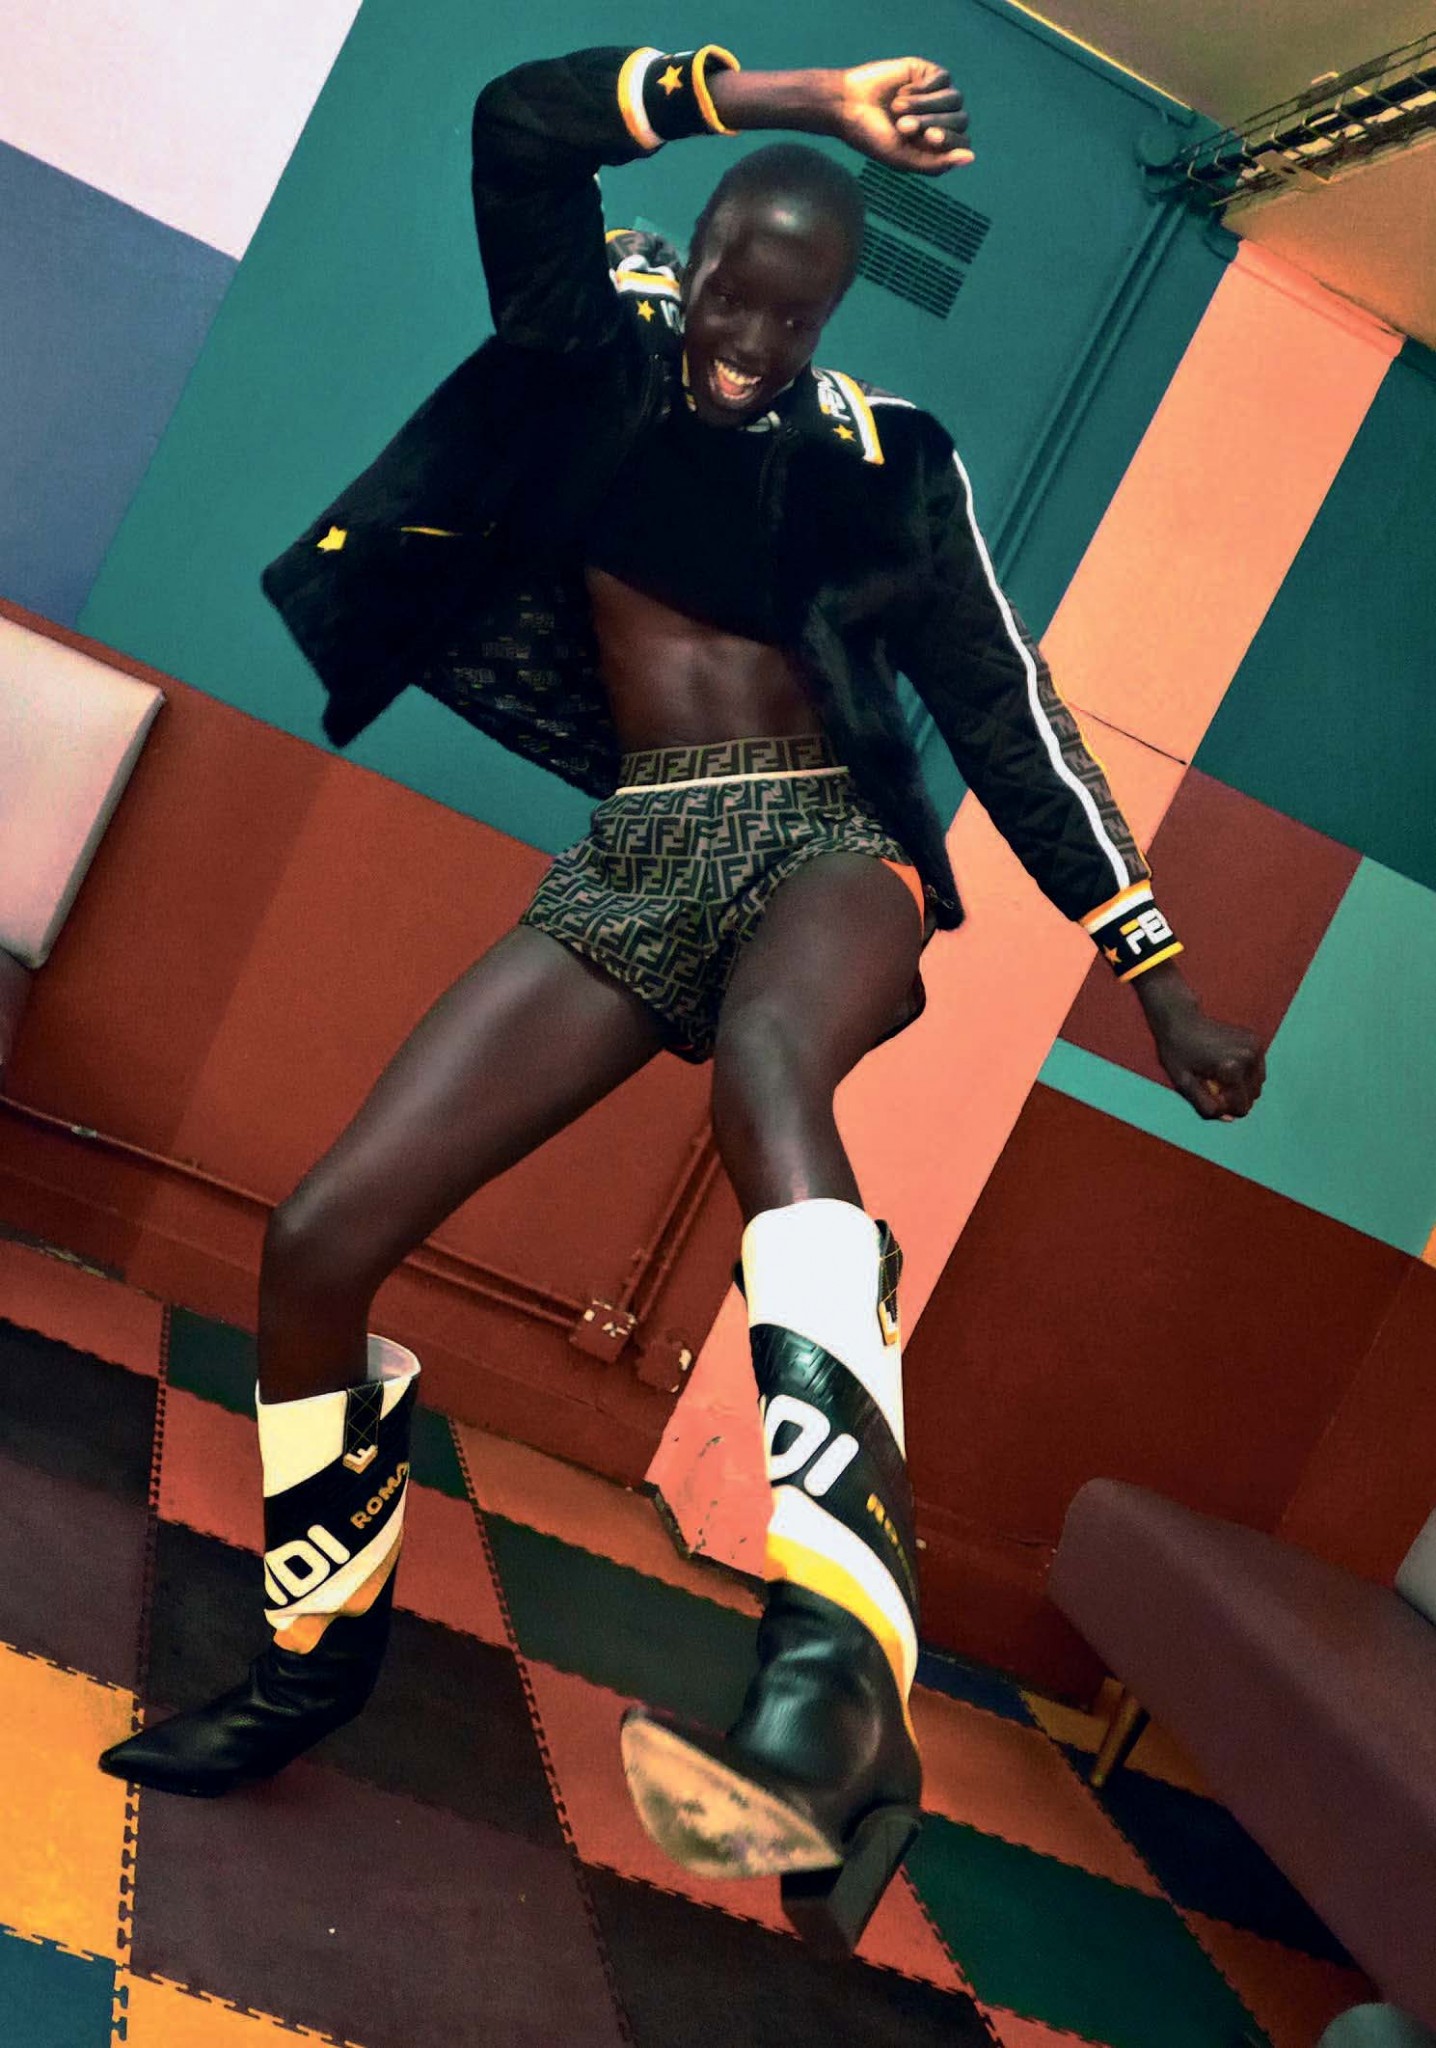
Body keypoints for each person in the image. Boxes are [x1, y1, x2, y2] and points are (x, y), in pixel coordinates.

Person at [100, 43, 1266, 1952]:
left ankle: (834, 1665)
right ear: (696, 251)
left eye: (789, 316)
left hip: (830, 842)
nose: (746, 337)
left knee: (771, 1073)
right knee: (319, 1237)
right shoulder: (594, 347)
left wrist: (1160, 973)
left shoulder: (893, 463)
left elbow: (1009, 713)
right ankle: (313, 1655)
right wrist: (790, 97)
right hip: (645, 849)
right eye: (730, 290)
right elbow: (515, 122)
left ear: (833, 312)